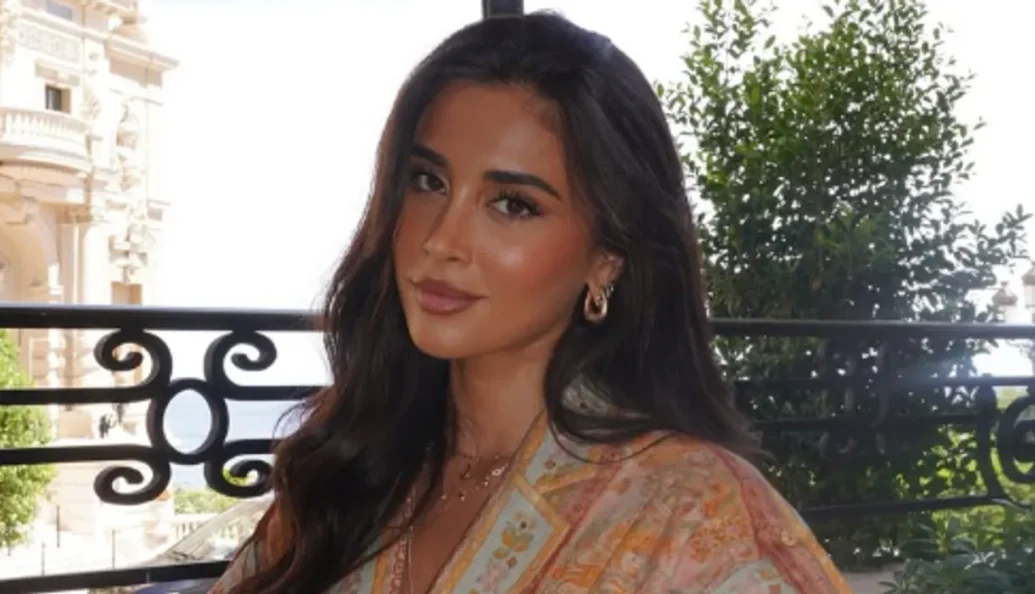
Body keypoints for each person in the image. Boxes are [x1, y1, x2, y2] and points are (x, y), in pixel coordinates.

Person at [211, 11, 850, 594]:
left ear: (608, 256)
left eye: (513, 204)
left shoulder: (696, 516)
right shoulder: (347, 476)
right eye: (428, 181)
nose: (441, 241)